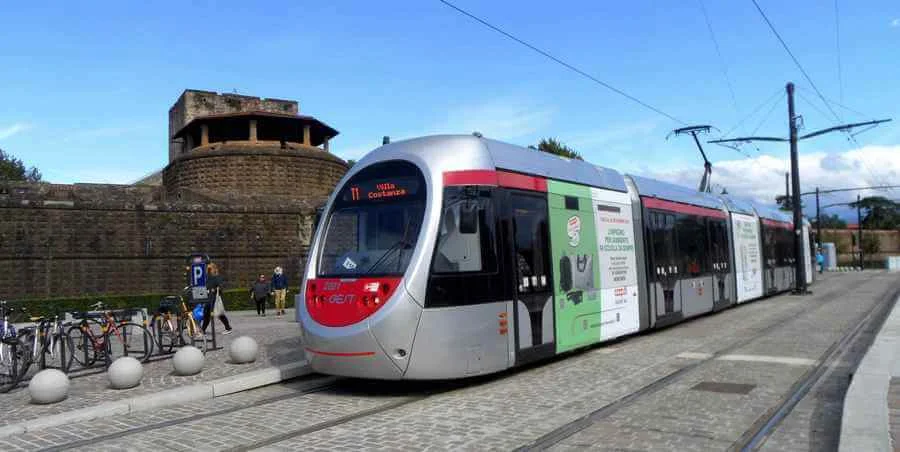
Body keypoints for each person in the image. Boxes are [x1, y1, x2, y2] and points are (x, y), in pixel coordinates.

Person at [202, 263, 233, 335]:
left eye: (210, 269)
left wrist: (215, 289)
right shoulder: (207, 277)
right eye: (208, 269)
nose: (209, 270)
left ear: (213, 269)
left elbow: (221, 287)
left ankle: (228, 328)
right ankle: (203, 330)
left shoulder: (217, 277)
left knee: (219, 314)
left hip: (214, 298)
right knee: (207, 314)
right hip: (208, 298)